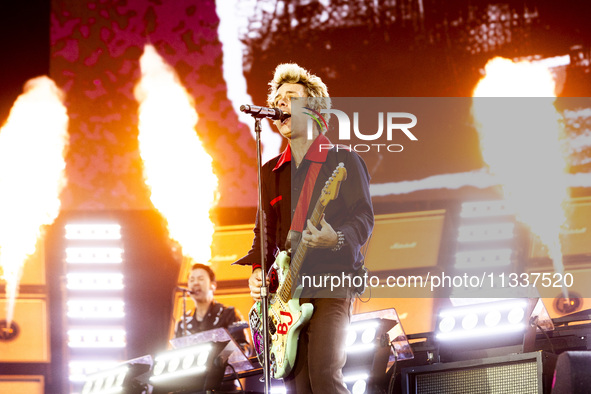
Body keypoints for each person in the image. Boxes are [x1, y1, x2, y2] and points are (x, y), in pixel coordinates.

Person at [235, 63, 374, 393]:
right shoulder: (271, 172)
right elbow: (264, 233)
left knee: (324, 375)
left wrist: (336, 238)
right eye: (278, 98)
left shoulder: (344, 160)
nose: (281, 103)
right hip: (288, 291)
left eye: (291, 98)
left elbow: (363, 217)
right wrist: (257, 270)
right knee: (298, 387)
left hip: (331, 281)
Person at [174, 263, 250, 355]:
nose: (195, 283)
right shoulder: (182, 323)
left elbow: (243, 346)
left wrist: (219, 359)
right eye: (191, 280)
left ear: (213, 285)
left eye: (200, 279)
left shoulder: (229, 313)